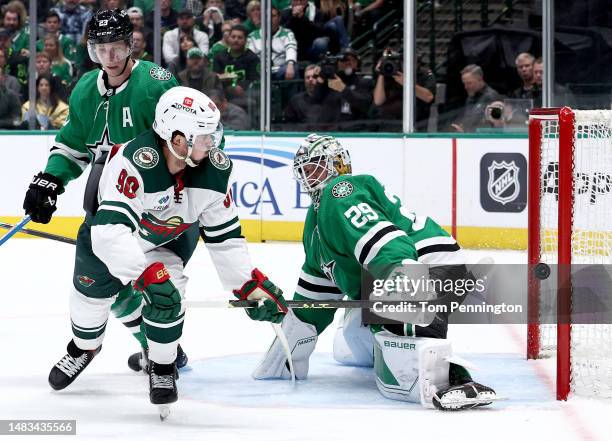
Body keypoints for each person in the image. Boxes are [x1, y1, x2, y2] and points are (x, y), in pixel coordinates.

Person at [45, 86, 287, 415]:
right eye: (205, 136)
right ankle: (84, 348)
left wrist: (247, 285)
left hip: (165, 241)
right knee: (89, 305)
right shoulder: (133, 161)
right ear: (177, 139)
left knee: (169, 296)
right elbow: (109, 232)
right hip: (109, 241)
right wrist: (143, 274)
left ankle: (161, 368)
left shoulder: (214, 170)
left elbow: (225, 236)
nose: (213, 143)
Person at [251, 133, 498, 411]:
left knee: (396, 365)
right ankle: (403, 332)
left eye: (316, 166)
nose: (309, 175)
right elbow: (313, 304)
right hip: (392, 278)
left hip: (425, 265)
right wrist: (282, 351)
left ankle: (453, 379)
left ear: (338, 164)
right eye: (305, 170)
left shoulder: (340, 191)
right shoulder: (314, 227)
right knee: (351, 343)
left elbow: (389, 244)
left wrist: (403, 286)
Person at [21, 9, 185, 376]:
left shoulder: (156, 86)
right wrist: (50, 180)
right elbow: (73, 145)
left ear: (130, 45)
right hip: (104, 206)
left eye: (116, 47)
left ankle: (161, 351)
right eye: (99, 49)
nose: (109, 57)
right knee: (95, 282)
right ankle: (102, 346)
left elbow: (183, 144)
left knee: (146, 284)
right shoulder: (84, 89)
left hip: (152, 208)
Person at [213, 24, 260, 109]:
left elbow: (254, 80)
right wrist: (231, 87)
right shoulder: (219, 57)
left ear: (246, 40)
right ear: (228, 38)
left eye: (240, 37)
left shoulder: (253, 58)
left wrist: (240, 87)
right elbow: (215, 77)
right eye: (233, 37)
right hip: (223, 92)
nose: (236, 40)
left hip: (245, 94)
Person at [283, 64, 342, 128]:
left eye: (314, 77)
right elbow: (289, 125)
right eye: (307, 77)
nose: (310, 79)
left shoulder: (332, 99)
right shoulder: (295, 100)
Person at [247, 6, 297, 80]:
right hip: (260, 71)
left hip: (281, 69)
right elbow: (250, 56)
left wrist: (290, 64)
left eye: (273, 16)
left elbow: (291, 48)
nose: (269, 19)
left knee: (293, 68)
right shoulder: (252, 36)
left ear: (279, 18)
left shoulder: (287, 33)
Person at [451, 64, 503, 133]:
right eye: (464, 84)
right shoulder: (470, 98)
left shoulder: (492, 97)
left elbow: (498, 127)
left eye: (469, 83)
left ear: (480, 80)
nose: (466, 87)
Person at [327, 47, 373, 121]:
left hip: (357, 128)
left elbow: (365, 104)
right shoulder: (329, 82)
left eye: (353, 60)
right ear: (337, 63)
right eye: (344, 60)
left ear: (357, 63)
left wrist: (344, 89)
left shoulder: (364, 82)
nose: (348, 62)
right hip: (333, 128)